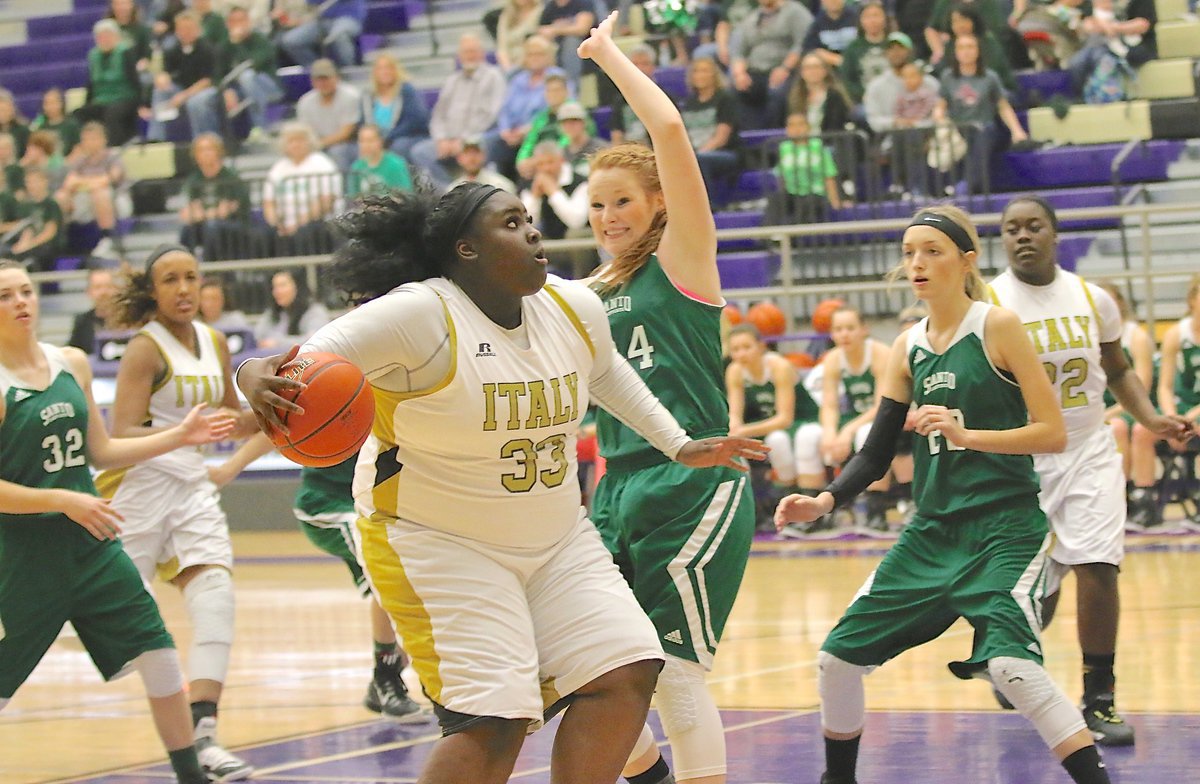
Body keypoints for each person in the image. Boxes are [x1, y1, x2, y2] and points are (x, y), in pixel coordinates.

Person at [233, 180, 768, 782]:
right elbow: (299, 360)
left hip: (558, 537)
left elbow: (607, 372)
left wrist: (677, 443)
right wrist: (251, 373)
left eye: (530, 219)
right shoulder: (419, 313)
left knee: (627, 672)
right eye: (511, 224)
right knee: (493, 722)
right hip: (437, 541)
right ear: (466, 251)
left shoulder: (572, 306)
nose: (534, 232)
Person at [776, 205, 1116, 784]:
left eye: (932, 251)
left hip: (1005, 528)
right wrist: (824, 501)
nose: (917, 263)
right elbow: (875, 452)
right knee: (835, 661)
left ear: (965, 260)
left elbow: (1052, 431)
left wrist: (966, 435)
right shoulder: (907, 345)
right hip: (930, 533)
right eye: (909, 253)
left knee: (1013, 668)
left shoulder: (998, 326)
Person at [583, 12, 759, 783]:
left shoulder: (685, 261)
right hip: (614, 489)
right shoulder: (582, 295)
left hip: (693, 483)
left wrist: (606, 55)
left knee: (676, 676)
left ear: (656, 201)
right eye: (595, 207)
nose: (608, 217)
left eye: (621, 200)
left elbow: (671, 130)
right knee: (585, 669)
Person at [0, 260, 235, 784]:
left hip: (92, 545)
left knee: (158, 652)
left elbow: (102, 451)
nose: (21, 302)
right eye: (6, 296)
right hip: (23, 557)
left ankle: (190, 775)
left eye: (26, 291)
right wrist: (60, 499)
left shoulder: (71, 363)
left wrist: (180, 436)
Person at [988, 195, 1191, 745]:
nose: (1023, 236)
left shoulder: (1091, 298)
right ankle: (1014, 657)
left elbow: (1119, 369)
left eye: (1034, 227)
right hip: (1020, 459)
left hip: (1086, 450)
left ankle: (1099, 699)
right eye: (1011, 229)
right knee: (1037, 584)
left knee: (1097, 565)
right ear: (1001, 239)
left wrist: (1151, 419)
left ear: (1055, 234)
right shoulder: (984, 303)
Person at [94, 245, 261, 782]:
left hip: (190, 486)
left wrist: (277, 408)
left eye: (191, 277)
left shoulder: (214, 342)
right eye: (171, 279)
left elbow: (230, 420)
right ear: (154, 291)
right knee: (119, 619)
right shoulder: (145, 349)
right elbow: (120, 432)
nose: (184, 288)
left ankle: (204, 737)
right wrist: (181, 435)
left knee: (215, 598)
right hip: (138, 486)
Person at [209, 436, 427, 722]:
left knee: (413, 584)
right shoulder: (337, 392)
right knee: (388, 572)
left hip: (381, 506)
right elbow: (279, 426)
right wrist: (229, 468)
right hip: (328, 504)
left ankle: (390, 676)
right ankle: (387, 678)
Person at [725, 322, 823, 523]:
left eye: (746, 347)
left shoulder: (779, 366)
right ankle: (766, 509)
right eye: (735, 349)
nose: (741, 353)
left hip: (801, 420)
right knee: (741, 444)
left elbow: (784, 418)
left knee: (778, 440)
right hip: (763, 424)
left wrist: (742, 430)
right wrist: (734, 429)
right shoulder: (734, 371)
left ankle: (803, 502)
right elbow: (735, 412)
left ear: (761, 346)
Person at [814, 305, 890, 535]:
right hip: (858, 416)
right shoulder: (833, 359)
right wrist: (829, 432)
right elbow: (829, 404)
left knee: (866, 436)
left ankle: (877, 513)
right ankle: (828, 511)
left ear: (864, 330)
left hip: (888, 414)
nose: (844, 334)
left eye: (850, 328)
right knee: (817, 439)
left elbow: (883, 404)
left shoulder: (880, 353)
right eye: (838, 329)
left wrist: (846, 431)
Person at [1094, 281, 1159, 530]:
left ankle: (1139, 498)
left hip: (1131, 408)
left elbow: (1139, 387)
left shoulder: (1135, 336)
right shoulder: (1083, 334)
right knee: (1115, 426)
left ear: (1119, 304)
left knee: (1121, 426)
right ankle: (1116, 499)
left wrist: (1108, 413)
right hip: (1098, 408)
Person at [932, 34, 1028, 195]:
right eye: (961, 47)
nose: (966, 52)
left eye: (970, 47)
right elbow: (940, 106)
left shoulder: (989, 77)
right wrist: (940, 119)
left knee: (983, 135)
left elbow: (1003, 106)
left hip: (984, 127)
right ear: (955, 52)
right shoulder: (948, 77)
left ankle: (966, 185)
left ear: (978, 51)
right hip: (958, 128)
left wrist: (1017, 130)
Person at [408, 33, 507, 187]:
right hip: (448, 140)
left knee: (480, 144)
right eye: (466, 52)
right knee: (420, 151)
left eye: (473, 51)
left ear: (482, 53)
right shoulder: (452, 80)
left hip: (476, 137)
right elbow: (438, 114)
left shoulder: (494, 77)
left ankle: (478, 189)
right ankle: (451, 192)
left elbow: (491, 115)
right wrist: (441, 139)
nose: (470, 56)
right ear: (459, 56)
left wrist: (462, 139)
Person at [1154, 273, 1200, 533]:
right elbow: (1165, 386)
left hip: (1197, 410)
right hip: (1183, 405)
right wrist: (1170, 418)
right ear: (1192, 300)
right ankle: (1144, 504)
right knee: (1141, 432)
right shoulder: (1176, 334)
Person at [261, 122, 342, 255]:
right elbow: (269, 203)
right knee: (264, 235)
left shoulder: (322, 164)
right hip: (285, 225)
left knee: (306, 232)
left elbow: (325, 203)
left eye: (300, 140)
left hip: (318, 223)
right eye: (291, 141)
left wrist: (297, 224)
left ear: (309, 142)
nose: (295, 144)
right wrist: (277, 223)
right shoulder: (278, 168)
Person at [145, 10, 222, 142]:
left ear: (198, 29)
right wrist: (162, 77)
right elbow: (165, 72)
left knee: (195, 102)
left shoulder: (208, 49)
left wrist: (184, 95)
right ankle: (156, 138)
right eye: (181, 29)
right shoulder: (172, 49)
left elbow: (208, 80)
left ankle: (202, 140)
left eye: (189, 28)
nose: (185, 32)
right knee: (160, 92)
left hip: (205, 90)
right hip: (181, 88)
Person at [178, 134, 253, 260]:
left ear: (219, 151)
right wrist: (209, 213)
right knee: (187, 230)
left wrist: (203, 214)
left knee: (212, 226)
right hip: (207, 224)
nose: (205, 153)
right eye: (201, 150)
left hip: (235, 225)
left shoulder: (230, 177)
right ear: (195, 155)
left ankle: (210, 271)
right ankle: (188, 269)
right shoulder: (194, 180)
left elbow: (225, 212)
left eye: (209, 149)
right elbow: (189, 214)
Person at [77, 18, 142, 146]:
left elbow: (135, 80)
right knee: (79, 114)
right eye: (101, 37)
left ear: (116, 37)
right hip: (101, 99)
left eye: (108, 36)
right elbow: (91, 84)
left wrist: (142, 102)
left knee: (112, 113)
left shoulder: (125, 53)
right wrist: (86, 103)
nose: (104, 40)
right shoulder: (93, 56)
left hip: (125, 98)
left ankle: (113, 148)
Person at [357, 53, 430, 162]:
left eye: (388, 68)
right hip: (377, 139)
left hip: (406, 137)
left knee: (398, 147)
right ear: (375, 73)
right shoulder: (368, 95)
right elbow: (363, 123)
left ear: (396, 70)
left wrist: (387, 138)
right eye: (380, 69)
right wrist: (371, 140)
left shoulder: (406, 90)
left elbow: (414, 122)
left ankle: (400, 178)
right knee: (358, 148)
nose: (384, 72)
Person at [295, 59, 363, 172]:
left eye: (326, 79)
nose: (322, 83)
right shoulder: (305, 102)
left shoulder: (350, 96)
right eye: (318, 80)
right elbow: (306, 132)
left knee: (337, 151)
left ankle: (343, 188)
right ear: (312, 82)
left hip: (349, 144)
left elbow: (346, 133)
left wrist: (319, 144)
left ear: (336, 78)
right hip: (318, 144)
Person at [253, 268, 330, 349]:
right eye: (274, 287)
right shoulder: (272, 313)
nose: (277, 291)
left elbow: (316, 340)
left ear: (297, 287)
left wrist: (278, 343)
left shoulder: (315, 311)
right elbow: (258, 337)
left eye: (282, 286)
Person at [347, 124, 414, 197]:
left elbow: (406, 195)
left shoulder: (396, 165)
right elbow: (353, 197)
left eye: (370, 141)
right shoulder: (356, 167)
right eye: (362, 141)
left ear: (380, 141)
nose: (366, 145)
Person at [68, 266, 118, 353]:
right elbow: (72, 352)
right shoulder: (82, 322)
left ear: (117, 289)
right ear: (89, 292)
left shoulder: (130, 319)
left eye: (108, 287)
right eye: (98, 287)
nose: (104, 292)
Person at [449, 135, 518, 194]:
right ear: (459, 158)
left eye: (476, 152)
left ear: (484, 156)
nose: (472, 158)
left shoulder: (501, 185)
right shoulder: (453, 190)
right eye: (467, 153)